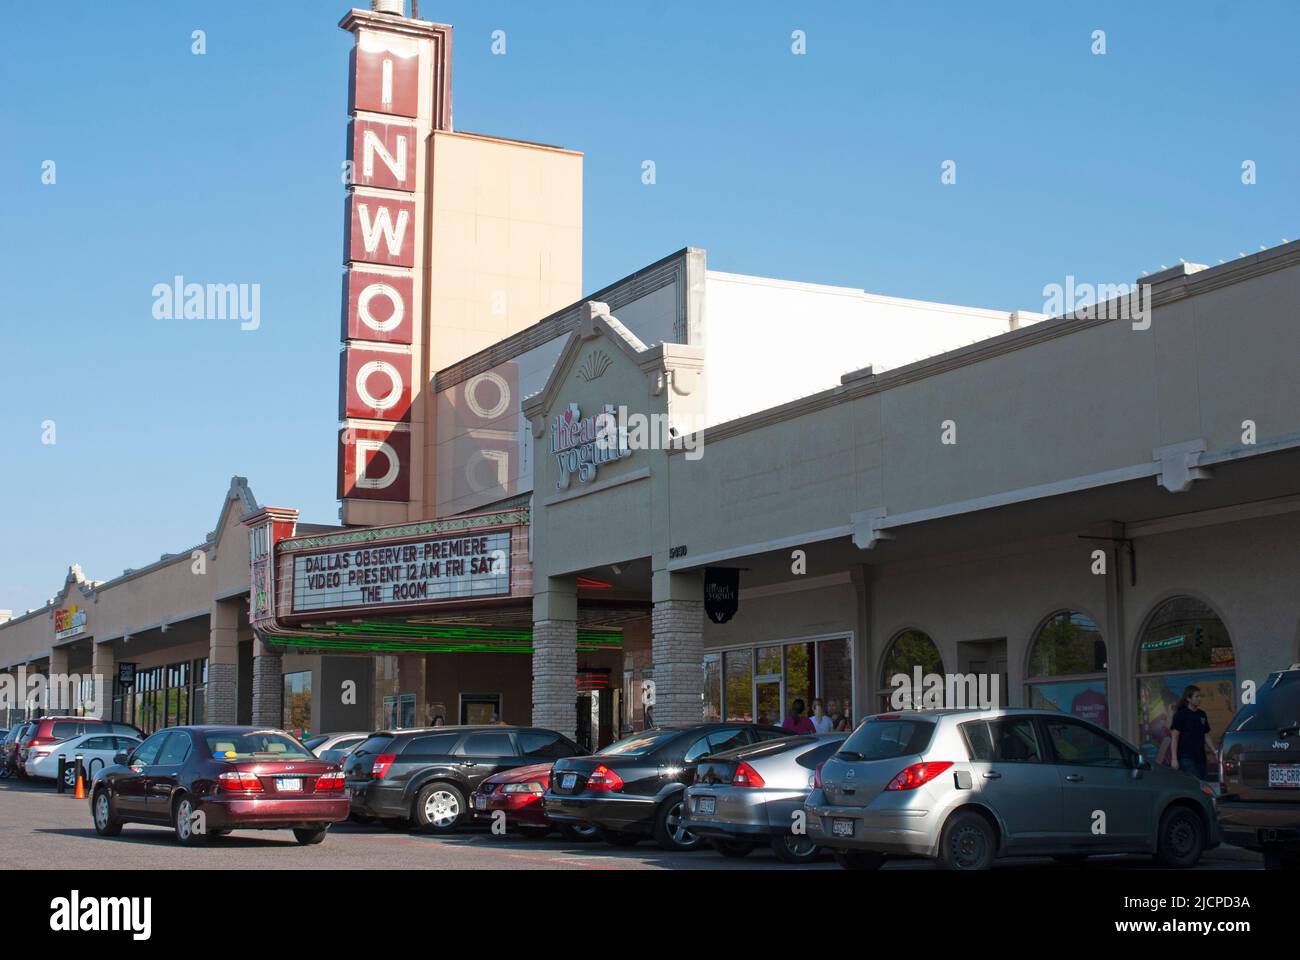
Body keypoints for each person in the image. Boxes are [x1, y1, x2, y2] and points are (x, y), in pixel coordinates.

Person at [1170, 685, 1218, 780]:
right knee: (1196, 782)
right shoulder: (1181, 715)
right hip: (1186, 757)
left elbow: (1205, 734)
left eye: (1200, 696)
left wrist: (1214, 751)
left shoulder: (1202, 714)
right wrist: (1174, 759)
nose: (1199, 699)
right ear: (1188, 698)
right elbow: (1174, 738)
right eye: (1196, 696)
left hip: (1201, 757)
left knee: (1202, 784)